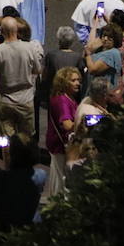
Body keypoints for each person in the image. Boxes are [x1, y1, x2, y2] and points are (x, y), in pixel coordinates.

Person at [0, 16, 44, 137]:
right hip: (25, 99)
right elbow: (37, 70)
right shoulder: (29, 48)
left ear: (1, 31)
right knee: (27, 138)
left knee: (6, 139)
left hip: (4, 101)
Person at [44, 66, 80, 197]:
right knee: (61, 181)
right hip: (60, 145)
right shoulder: (62, 101)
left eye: (78, 80)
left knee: (58, 178)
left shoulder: (64, 97)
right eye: (73, 80)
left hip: (59, 143)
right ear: (64, 82)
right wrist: (86, 119)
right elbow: (67, 124)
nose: (77, 83)